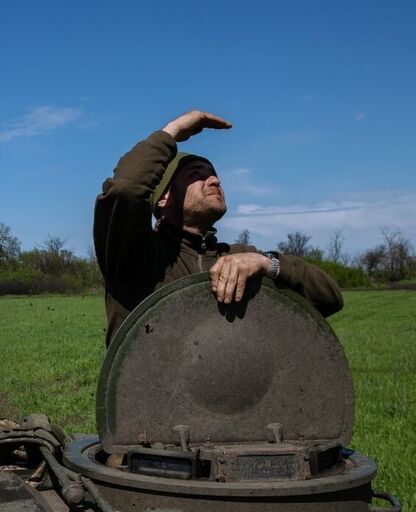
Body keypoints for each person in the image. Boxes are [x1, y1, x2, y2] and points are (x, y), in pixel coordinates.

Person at [93, 110, 343, 346]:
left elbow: (330, 299)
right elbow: (124, 191)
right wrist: (172, 132)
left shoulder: (241, 258)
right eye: (196, 175)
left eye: (213, 174)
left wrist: (267, 263)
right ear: (163, 198)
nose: (215, 180)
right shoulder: (135, 255)